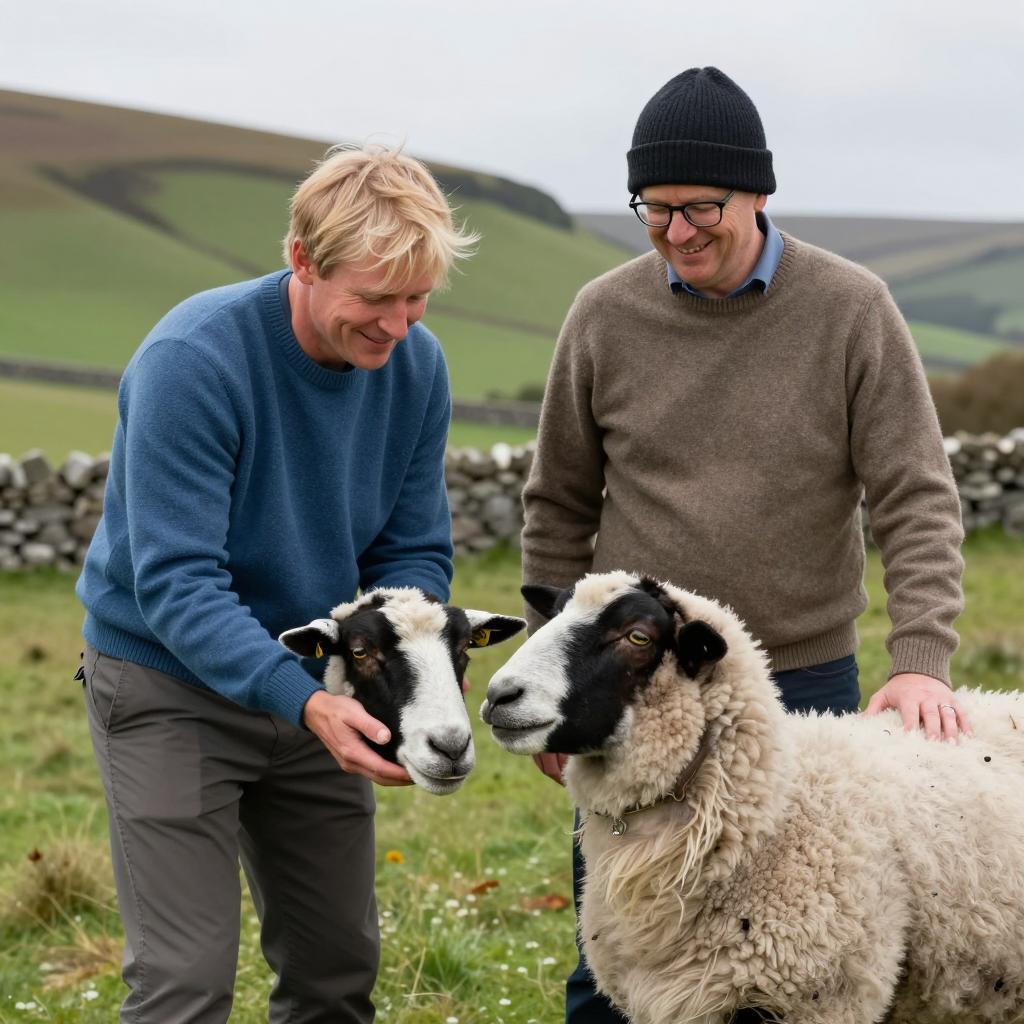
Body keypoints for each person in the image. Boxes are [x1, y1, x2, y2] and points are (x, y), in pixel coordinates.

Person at [520, 67, 968, 1024]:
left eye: (701, 208)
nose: (677, 232)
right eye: (654, 208)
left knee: (807, 963)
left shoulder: (851, 309)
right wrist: (556, 677)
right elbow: (557, 503)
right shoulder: (602, 315)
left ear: (758, 193)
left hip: (801, 686)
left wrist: (921, 657)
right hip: (638, 689)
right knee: (623, 957)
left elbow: (917, 497)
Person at [75, 145, 476, 1023]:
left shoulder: (417, 366)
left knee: (336, 970)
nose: (397, 326)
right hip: (169, 685)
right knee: (184, 983)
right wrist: (304, 701)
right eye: (375, 298)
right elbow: (177, 581)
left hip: (319, 677)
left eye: (417, 298)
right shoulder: (194, 360)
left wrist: (392, 675)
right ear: (302, 259)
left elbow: (412, 550)